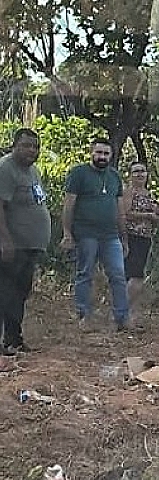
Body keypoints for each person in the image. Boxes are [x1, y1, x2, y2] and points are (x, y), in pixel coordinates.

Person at [61, 138, 129, 330]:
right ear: (91, 153)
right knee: (85, 274)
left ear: (111, 156)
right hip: (86, 233)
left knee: (118, 274)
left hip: (111, 235)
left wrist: (124, 238)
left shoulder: (114, 176)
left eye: (106, 154)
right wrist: (67, 233)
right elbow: (68, 205)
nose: (102, 157)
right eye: (98, 153)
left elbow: (120, 209)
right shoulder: (79, 173)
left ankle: (122, 318)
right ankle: (84, 316)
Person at [0, 128, 49, 354]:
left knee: (20, 293)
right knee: (6, 293)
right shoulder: (6, 168)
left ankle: (13, 339)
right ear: (14, 145)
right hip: (13, 245)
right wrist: (5, 240)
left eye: (35, 146)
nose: (32, 150)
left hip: (29, 246)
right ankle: (5, 342)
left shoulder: (33, 171)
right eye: (27, 145)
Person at [123, 160, 159, 325]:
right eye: (136, 171)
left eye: (142, 171)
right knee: (135, 275)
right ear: (130, 175)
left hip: (145, 238)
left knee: (137, 275)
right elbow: (125, 213)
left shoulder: (149, 194)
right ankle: (122, 310)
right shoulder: (129, 192)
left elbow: (158, 217)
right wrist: (147, 216)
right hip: (131, 236)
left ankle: (129, 312)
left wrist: (157, 215)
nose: (140, 174)